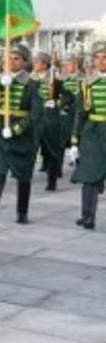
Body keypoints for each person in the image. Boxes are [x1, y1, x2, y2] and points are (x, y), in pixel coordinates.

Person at [0, 42, 44, 224]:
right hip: (0, 127)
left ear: (24, 62)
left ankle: (22, 212)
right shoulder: (0, 78)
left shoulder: (33, 85)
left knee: (23, 174)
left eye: (16, 59)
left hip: (21, 131)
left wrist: (16, 129)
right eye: (8, 58)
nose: (11, 62)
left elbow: (36, 113)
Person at [71, 42, 106, 229]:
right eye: (97, 57)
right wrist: (75, 141)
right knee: (90, 175)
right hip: (93, 131)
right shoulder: (86, 85)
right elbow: (80, 113)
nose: (101, 61)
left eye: (104, 57)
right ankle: (87, 216)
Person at [31, 52, 65, 191]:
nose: (35, 64)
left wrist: (57, 103)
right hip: (34, 119)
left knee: (52, 151)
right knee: (30, 149)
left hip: (50, 119)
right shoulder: (29, 79)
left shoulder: (54, 79)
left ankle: (52, 181)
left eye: (38, 62)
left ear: (45, 64)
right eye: (34, 62)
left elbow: (68, 97)